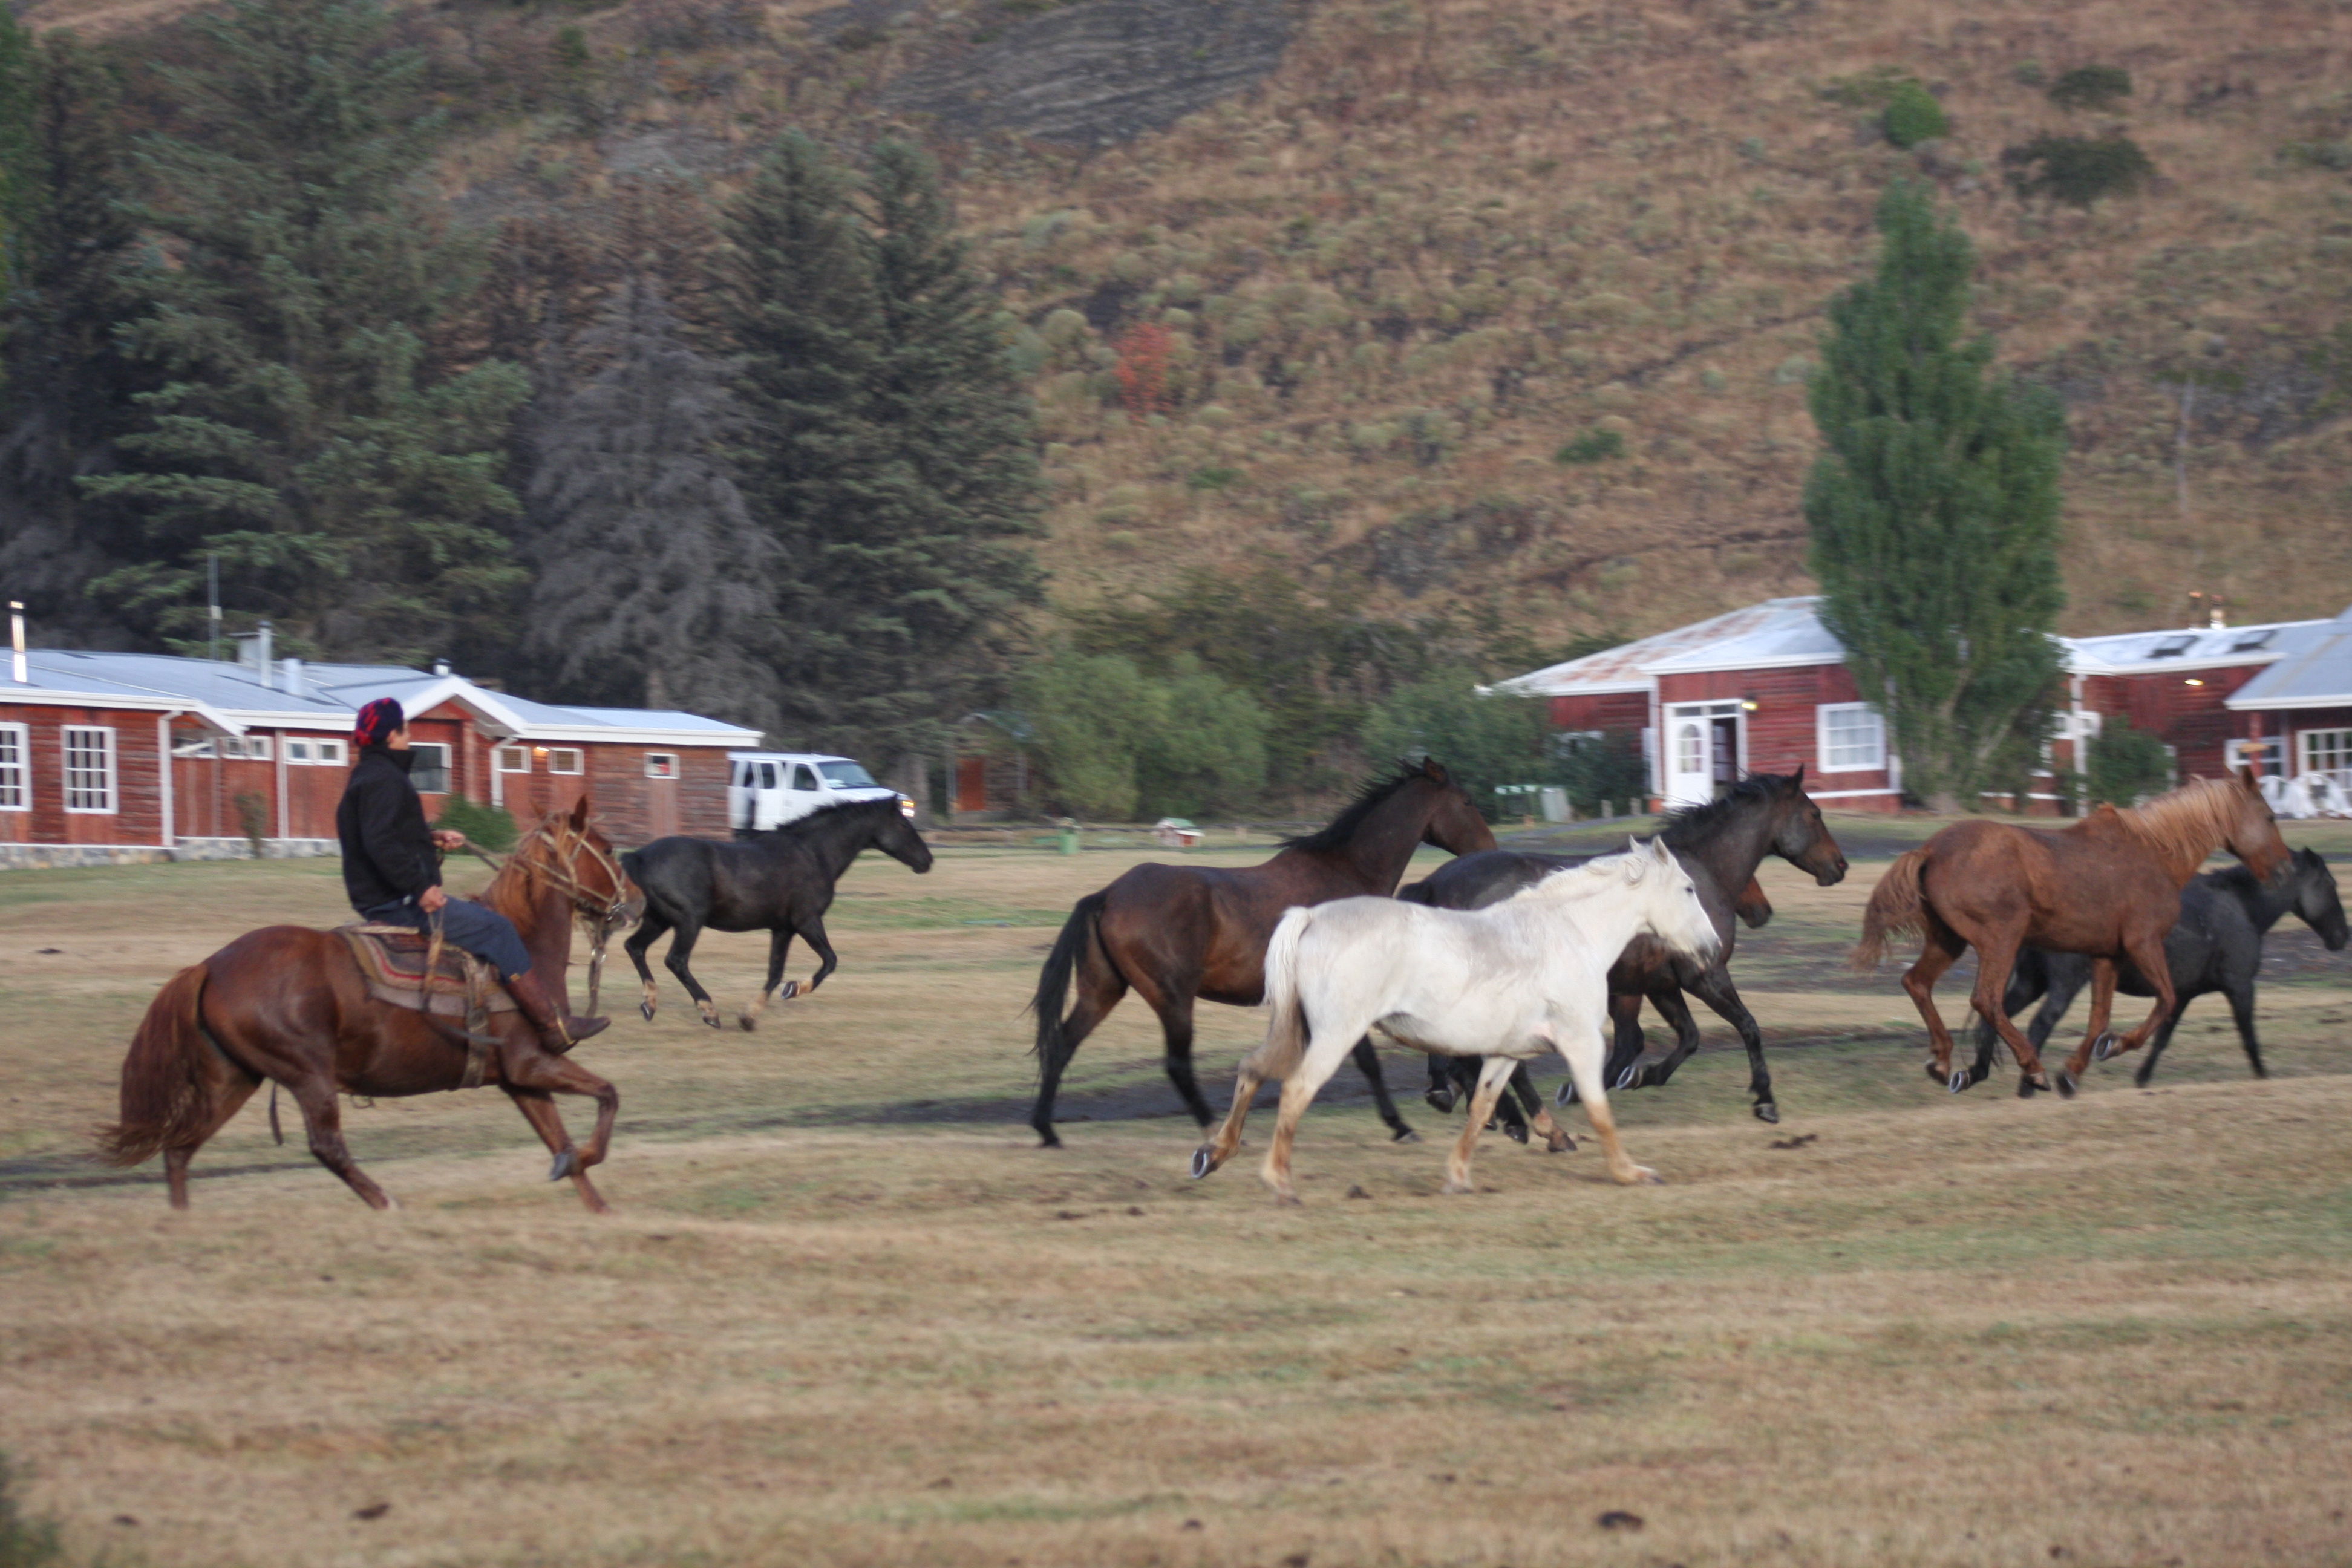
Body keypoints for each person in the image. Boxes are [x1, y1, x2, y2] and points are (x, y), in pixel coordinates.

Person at [337, 697, 608, 1056]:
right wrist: (419, 889)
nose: (409, 734)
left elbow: (382, 833)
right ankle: (552, 1024)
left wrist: (429, 837)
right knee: (499, 929)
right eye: (404, 729)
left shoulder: (367, 777)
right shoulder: (386, 780)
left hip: (382, 896)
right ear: (390, 736)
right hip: (399, 902)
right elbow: (380, 843)